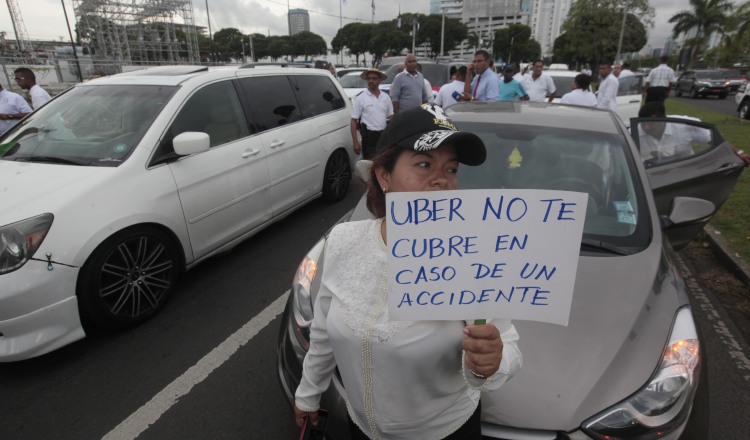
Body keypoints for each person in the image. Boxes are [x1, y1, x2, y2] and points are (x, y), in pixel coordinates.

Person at [293, 104, 522, 440]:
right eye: (424, 164)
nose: (443, 179)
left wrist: (492, 360)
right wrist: (308, 394)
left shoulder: (473, 256)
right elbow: (325, 329)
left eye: (452, 169)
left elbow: (509, 348)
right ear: (384, 176)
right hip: (361, 429)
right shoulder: (344, 241)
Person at [636, 101, 713, 163]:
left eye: (651, 123)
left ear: (663, 120)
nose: (646, 127)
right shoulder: (634, 132)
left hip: (685, 170)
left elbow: (717, 142)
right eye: (643, 123)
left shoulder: (687, 125)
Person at [351, 68, 394, 159]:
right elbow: (353, 121)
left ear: (380, 80)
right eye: (369, 78)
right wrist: (355, 142)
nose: (371, 81)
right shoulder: (361, 98)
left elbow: (391, 117)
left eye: (374, 78)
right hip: (368, 138)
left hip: (383, 137)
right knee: (369, 165)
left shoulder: (386, 97)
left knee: (382, 163)